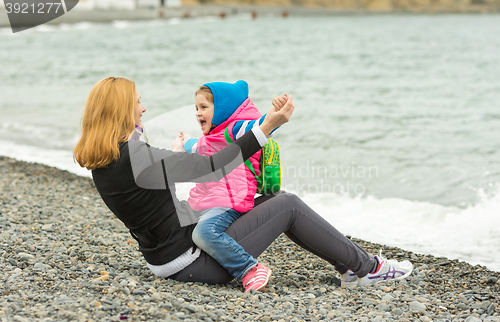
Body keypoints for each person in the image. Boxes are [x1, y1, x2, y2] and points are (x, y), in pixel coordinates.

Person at [74, 76, 412, 293]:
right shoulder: (134, 154)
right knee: (289, 205)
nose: (143, 107)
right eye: (137, 103)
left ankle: (350, 266)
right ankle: (370, 269)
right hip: (194, 263)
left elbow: (155, 200)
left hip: (165, 256)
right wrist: (267, 128)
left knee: (268, 199)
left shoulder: (104, 158)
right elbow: (213, 165)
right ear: (121, 109)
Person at [175, 81, 287, 291]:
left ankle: (249, 269)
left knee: (203, 233)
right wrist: (184, 142)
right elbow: (195, 146)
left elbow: (260, 126)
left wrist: (275, 113)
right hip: (206, 201)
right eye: (196, 108)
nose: (198, 113)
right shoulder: (212, 138)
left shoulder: (235, 130)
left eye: (204, 107)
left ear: (223, 110)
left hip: (229, 202)